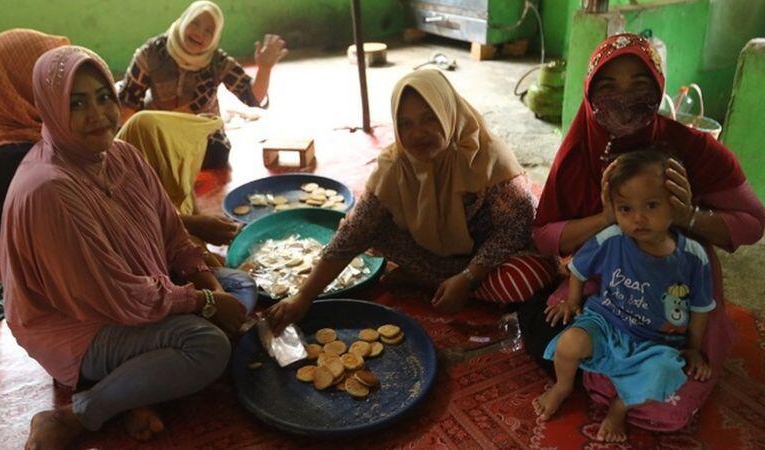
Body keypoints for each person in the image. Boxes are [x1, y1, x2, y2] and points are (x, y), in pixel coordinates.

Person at [0, 45, 257, 448]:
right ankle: (78, 415)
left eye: (104, 97)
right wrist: (205, 303)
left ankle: (135, 387)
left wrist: (215, 290)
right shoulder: (49, 188)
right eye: (77, 103)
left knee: (240, 286)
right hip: (82, 323)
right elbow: (118, 296)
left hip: (134, 294)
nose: (98, 114)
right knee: (208, 346)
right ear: (51, 109)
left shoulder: (119, 155)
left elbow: (170, 232)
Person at [521, 33, 765, 431]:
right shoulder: (578, 150)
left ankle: (626, 383)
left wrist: (686, 216)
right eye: (608, 86)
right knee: (548, 334)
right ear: (589, 90)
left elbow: (754, 223)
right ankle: (606, 379)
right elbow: (545, 235)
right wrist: (608, 218)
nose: (625, 97)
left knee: (665, 404)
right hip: (610, 288)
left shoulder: (690, 149)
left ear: (658, 86)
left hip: (671, 293)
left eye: (640, 84)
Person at [267, 69, 556, 335]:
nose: (418, 133)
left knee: (525, 280)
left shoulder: (482, 156)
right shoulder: (397, 166)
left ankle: (428, 280)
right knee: (370, 227)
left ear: (448, 113)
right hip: (431, 252)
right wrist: (303, 297)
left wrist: (468, 277)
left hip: (488, 258)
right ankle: (434, 279)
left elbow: (517, 228)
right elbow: (354, 233)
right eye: (406, 124)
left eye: (430, 118)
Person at [534, 150, 714, 442]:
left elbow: (701, 307)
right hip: (605, 324)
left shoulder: (693, 257)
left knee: (664, 371)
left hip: (656, 343)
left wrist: (693, 348)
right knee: (568, 343)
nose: (637, 219)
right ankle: (562, 387)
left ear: (675, 205)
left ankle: (619, 408)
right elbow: (579, 268)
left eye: (651, 205)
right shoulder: (611, 238)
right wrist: (572, 301)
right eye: (625, 209)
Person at [118, 0, 287, 168]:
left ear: (215, 37)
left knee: (217, 153)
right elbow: (128, 101)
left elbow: (252, 96)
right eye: (194, 23)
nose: (199, 33)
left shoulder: (217, 62)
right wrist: (128, 145)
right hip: (158, 130)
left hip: (199, 131)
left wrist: (264, 68)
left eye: (209, 31)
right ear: (184, 21)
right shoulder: (152, 52)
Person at [0, 29, 70, 234]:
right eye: (50, 76)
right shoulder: (12, 160)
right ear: (27, 83)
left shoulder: (36, 133)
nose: (64, 86)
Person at [116, 110, 241, 262]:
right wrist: (191, 226)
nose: (183, 167)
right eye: (174, 156)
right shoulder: (114, 202)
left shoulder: (173, 180)